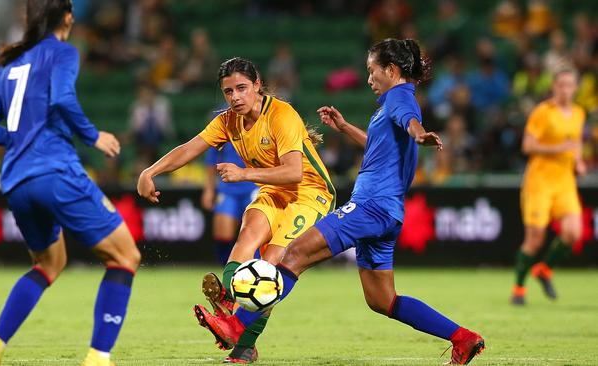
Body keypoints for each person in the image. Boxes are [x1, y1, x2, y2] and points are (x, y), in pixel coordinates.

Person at [193, 39, 485, 365]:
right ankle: (462, 338)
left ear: (391, 70)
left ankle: (236, 327)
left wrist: (419, 132)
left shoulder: (399, 98)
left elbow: (408, 120)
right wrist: (346, 128)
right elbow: (380, 143)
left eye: (372, 71)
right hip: (388, 212)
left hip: (370, 207)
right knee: (382, 300)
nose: (369, 78)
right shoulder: (391, 103)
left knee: (293, 254)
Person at [0, 1, 141, 365]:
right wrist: (93, 136)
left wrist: (20, 137)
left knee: (48, 264)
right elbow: (62, 98)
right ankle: (97, 357)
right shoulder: (63, 53)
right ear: (67, 18)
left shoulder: (9, 64)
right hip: (54, 172)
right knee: (126, 256)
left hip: (15, 182)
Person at [137, 57, 334, 363]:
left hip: (310, 194)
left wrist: (243, 174)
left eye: (242, 88)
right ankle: (230, 302)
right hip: (273, 189)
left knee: (269, 270)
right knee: (246, 237)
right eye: (228, 92)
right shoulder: (228, 120)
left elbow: (294, 173)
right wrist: (149, 172)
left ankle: (243, 342)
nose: (235, 97)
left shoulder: (282, 115)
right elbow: (190, 148)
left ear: (258, 85)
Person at [511, 68, 586, 306]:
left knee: (573, 233)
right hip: (539, 182)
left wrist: (579, 162)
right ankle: (519, 288)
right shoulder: (543, 112)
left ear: (575, 88)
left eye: (569, 85)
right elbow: (528, 145)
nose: (565, 89)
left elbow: (576, 144)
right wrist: (559, 149)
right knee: (535, 240)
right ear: (554, 87)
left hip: (565, 182)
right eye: (561, 85)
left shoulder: (578, 113)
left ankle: (544, 270)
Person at [202, 142, 259, 265]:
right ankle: (229, 272)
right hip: (228, 187)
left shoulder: (262, 125)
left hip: (254, 186)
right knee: (223, 233)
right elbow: (212, 159)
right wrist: (209, 189)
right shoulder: (224, 125)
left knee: (256, 232)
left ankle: (257, 269)